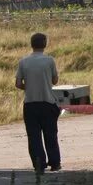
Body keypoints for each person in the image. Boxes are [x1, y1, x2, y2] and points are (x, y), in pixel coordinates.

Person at [15, 32, 61, 173]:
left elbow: (18, 83)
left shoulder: (23, 61)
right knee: (50, 134)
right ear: (45, 44)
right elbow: (54, 80)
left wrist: (28, 86)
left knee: (34, 136)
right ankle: (54, 162)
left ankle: (38, 164)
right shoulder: (49, 61)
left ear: (31, 44)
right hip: (47, 102)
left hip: (30, 103)